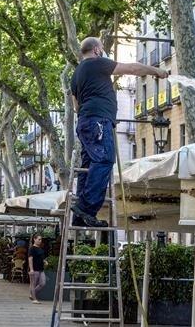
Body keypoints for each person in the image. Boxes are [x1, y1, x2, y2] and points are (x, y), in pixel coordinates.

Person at [70, 36, 168, 227]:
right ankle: (86, 207)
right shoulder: (97, 63)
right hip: (98, 122)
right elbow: (132, 69)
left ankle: (80, 217)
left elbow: (75, 106)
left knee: (88, 166)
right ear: (97, 50)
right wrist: (156, 71)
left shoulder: (76, 74)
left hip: (85, 122)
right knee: (105, 159)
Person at [28, 235, 47, 303]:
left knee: (42, 283)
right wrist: (31, 269)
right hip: (35, 269)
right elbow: (30, 259)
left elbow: (42, 258)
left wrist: (45, 261)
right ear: (34, 239)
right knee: (33, 283)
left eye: (41, 239)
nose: (40, 241)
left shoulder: (40, 249)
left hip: (41, 269)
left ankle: (32, 294)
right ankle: (34, 299)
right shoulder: (32, 248)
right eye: (39, 239)